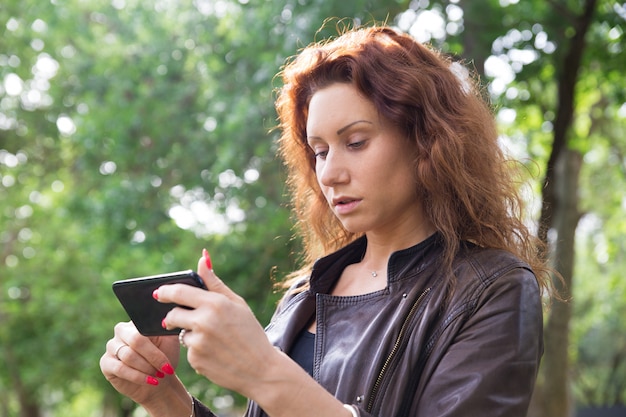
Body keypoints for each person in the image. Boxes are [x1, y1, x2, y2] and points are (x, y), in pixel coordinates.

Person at [100, 24, 552, 417]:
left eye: (355, 141)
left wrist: (264, 372)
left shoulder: (491, 291)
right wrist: (165, 400)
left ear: (426, 142)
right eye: (319, 152)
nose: (330, 173)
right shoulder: (304, 296)